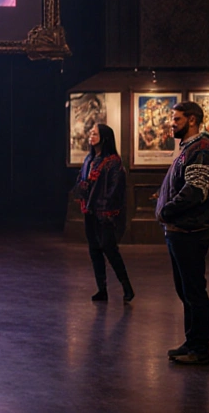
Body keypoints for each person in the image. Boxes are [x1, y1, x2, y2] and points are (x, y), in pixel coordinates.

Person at [156, 100, 209, 366]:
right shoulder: (191, 148)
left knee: (193, 291)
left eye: (177, 119)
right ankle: (191, 341)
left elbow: (196, 190)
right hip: (181, 230)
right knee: (186, 290)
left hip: (190, 231)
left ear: (192, 120)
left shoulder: (202, 149)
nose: (172, 123)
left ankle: (199, 348)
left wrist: (167, 210)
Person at [73, 123, 133, 302]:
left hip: (105, 213)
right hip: (90, 211)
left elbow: (115, 189)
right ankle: (102, 289)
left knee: (110, 250)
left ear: (104, 138)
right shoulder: (89, 160)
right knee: (94, 250)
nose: (91, 136)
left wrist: (105, 208)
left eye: (95, 133)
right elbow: (81, 181)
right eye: (90, 133)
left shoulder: (113, 162)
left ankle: (127, 287)